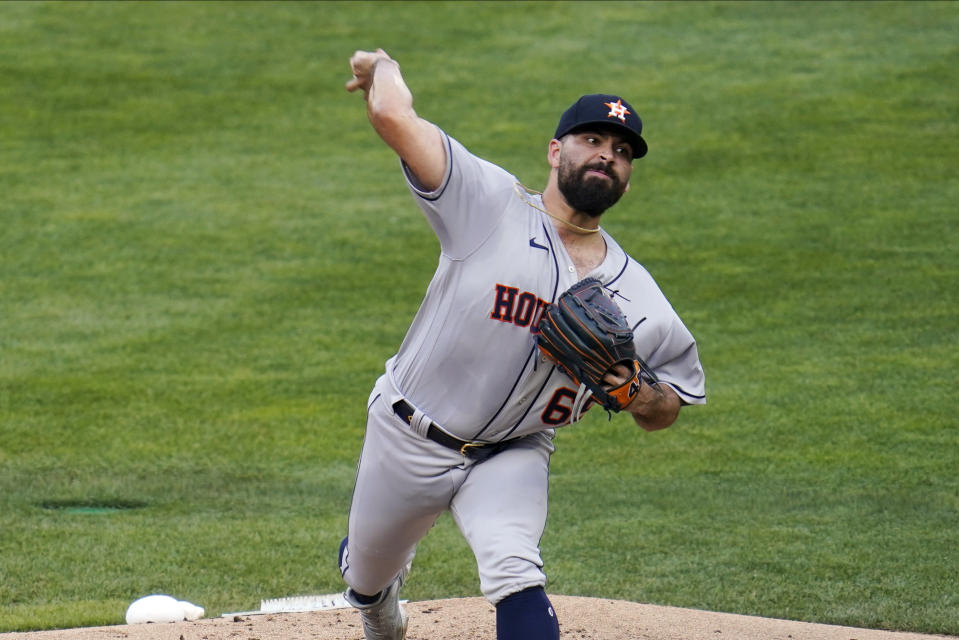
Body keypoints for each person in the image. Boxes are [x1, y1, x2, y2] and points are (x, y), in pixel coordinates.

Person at [338, 48, 706, 640]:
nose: (606, 157)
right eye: (592, 140)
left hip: (514, 450)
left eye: (621, 153)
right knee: (365, 574)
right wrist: (381, 66)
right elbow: (394, 118)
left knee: (514, 567)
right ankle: (377, 595)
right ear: (556, 151)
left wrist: (633, 388)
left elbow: (669, 408)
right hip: (409, 434)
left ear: (628, 180)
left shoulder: (639, 295)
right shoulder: (487, 205)